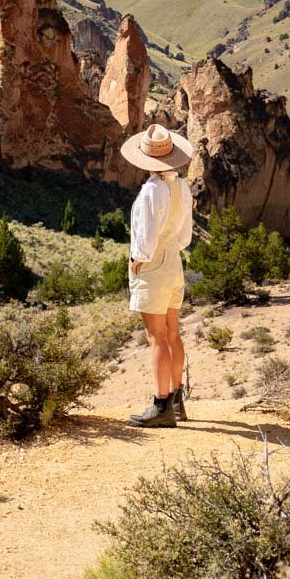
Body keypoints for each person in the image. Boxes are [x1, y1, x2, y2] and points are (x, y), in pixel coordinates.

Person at [120, 122, 194, 428]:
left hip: (155, 264)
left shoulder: (152, 189)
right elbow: (185, 234)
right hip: (174, 260)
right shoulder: (182, 186)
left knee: (157, 336)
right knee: (172, 332)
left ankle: (161, 405)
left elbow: (147, 232)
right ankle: (176, 402)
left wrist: (139, 258)